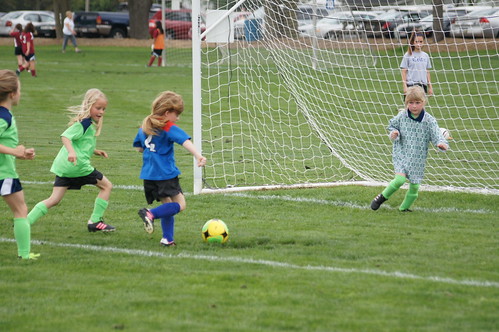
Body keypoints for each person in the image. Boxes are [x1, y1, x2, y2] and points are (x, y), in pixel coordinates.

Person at [27, 89, 115, 232]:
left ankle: (25, 222)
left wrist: (95, 151)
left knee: (54, 199)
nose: (101, 112)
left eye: (103, 109)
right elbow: (66, 136)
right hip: (78, 166)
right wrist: (72, 152)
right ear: (89, 106)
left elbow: (80, 143)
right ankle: (95, 221)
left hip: (65, 167)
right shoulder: (84, 124)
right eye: (98, 108)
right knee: (107, 186)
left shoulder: (89, 124)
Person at [133, 91, 206, 246]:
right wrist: (197, 156)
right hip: (165, 174)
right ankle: (150, 214)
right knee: (180, 205)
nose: (177, 118)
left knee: (167, 204)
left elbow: (139, 148)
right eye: (176, 114)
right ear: (167, 113)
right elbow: (184, 141)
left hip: (149, 175)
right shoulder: (168, 127)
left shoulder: (144, 127)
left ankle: (167, 239)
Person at [371, 86, 448, 212]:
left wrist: (441, 144)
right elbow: (391, 126)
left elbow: (437, 136)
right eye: (410, 103)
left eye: (417, 103)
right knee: (400, 180)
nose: (414, 106)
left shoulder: (429, 121)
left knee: (414, 186)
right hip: (401, 152)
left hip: (418, 157)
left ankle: (404, 208)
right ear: (406, 103)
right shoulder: (402, 116)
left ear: (424, 102)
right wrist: (394, 133)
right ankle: (380, 198)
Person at [0, 69, 38, 259]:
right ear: (12, 94)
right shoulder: (3, 116)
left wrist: (21, 154)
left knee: (20, 209)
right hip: (3, 174)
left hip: (6, 171)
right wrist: (15, 151)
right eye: (20, 90)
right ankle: (24, 255)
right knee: (21, 210)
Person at [400, 31, 433, 101]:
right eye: (417, 41)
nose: (419, 44)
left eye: (421, 42)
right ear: (413, 42)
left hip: (422, 86)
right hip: (411, 85)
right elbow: (403, 72)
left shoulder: (425, 55)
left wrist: (430, 87)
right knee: (409, 107)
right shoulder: (408, 55)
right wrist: (405, 86)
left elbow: (427, 72)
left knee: (420, 107)